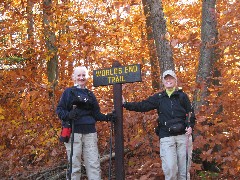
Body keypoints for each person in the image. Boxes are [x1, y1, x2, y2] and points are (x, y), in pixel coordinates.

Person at [122, 69, 196, 180]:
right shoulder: (159, 97)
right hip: (166, 136)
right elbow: (143, 105)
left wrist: (191, 126)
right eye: (166, 79)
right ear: (163, 81)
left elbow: (190, 113)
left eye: (171, 78)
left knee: (184, 172)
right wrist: (125, 104)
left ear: (175, 81)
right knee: (170, 170)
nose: (169, 80)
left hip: (183, 136)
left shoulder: (182, 96)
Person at [56, 66, 116, 180]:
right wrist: (68, 115)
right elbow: (59, 110)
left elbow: (96, 114)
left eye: (83, 75)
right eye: (79, 75)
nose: (81, 78)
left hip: (90, 133)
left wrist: (108, 117)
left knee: (93, 163)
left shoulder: (90, 94)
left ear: (87, 77)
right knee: (74, 165)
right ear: (74, 77)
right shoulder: (68, 92)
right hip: (73, 132)